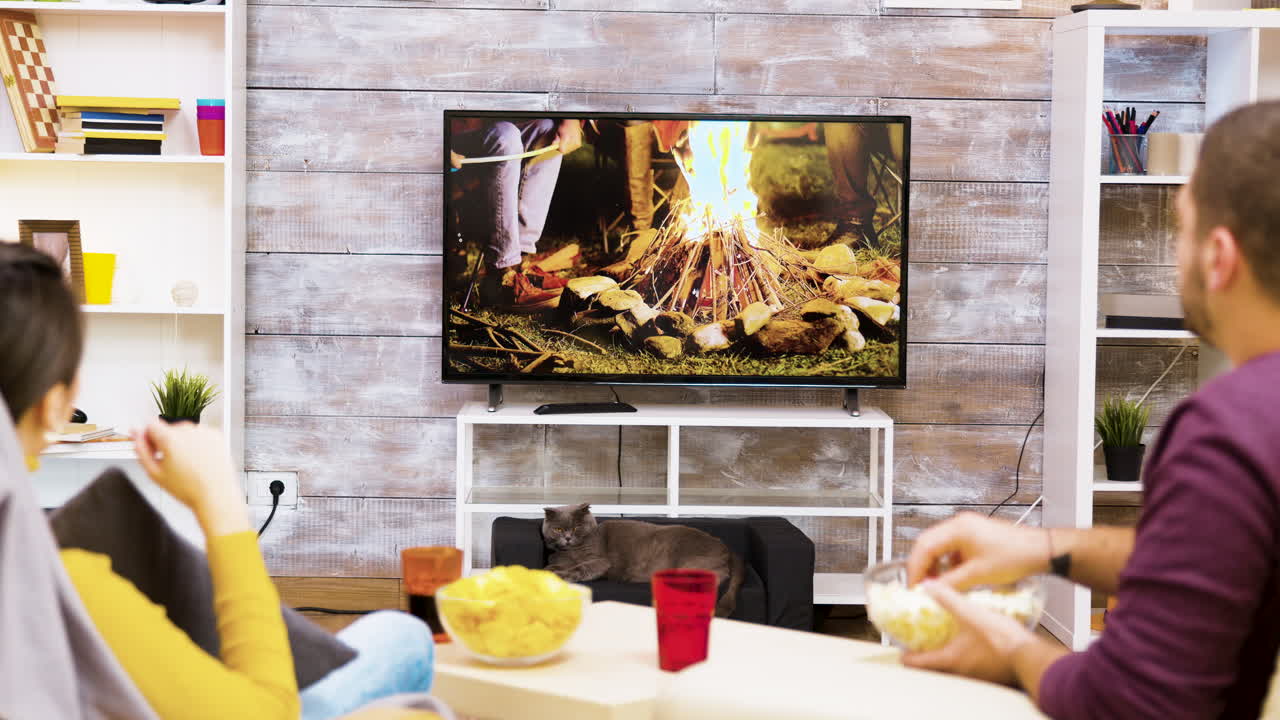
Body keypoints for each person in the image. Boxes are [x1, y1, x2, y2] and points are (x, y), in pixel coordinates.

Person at [900, 99, 1280, 719]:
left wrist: (1008, 649)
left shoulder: (1230, 429)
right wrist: (1045, 548)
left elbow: (1129, 704)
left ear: (1219, 257)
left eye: (1179, 229)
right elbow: (1211, 568)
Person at [0, 241, 435, 720]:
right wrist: (221, 502)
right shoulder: (67, 586)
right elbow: (268, 714)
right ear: (54, 405)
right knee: (405, 637)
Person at [449, 117, 583, 309]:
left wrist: (571, 118)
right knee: (505, 135)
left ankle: (520, 262)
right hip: (451, 139)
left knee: (545, 128)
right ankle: (501, 274)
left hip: (488, 127)